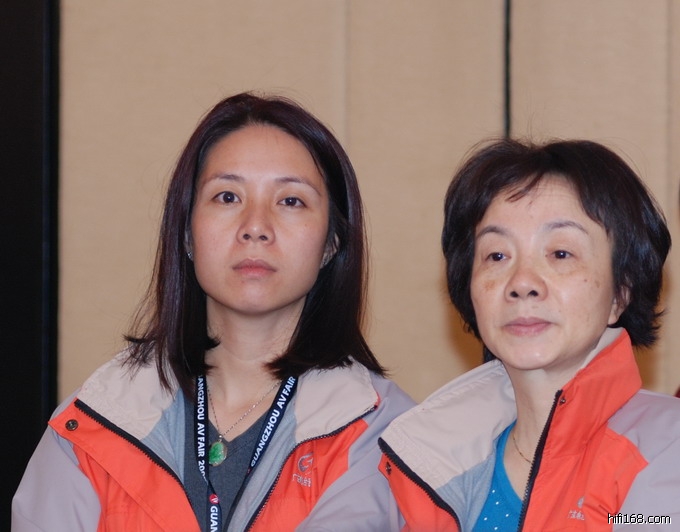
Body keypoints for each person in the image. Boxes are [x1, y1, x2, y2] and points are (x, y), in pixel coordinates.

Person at [13, 92, 414, 531]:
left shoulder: (388, 438)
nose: (255, 227)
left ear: (331, 243)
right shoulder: (93, 424)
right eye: (227, 197)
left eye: (290, 201)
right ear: (187, 233)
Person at [379, 138, 680, 530]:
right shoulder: (428, 457)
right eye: (497, 256)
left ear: (620, 294)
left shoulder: (667, 445)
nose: (522, 283)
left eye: (560, 253)